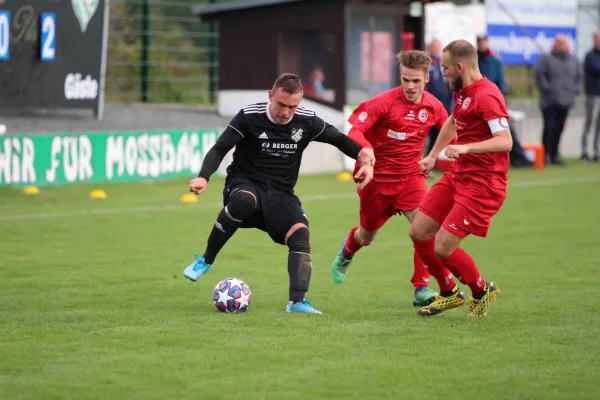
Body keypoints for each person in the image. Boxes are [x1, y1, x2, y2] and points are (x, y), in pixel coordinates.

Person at [183, 73, 375, 315]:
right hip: (244, 183)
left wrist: (363, 156)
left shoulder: (307, 121)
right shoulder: (250, 115)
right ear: (271, 96)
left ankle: (297, 302)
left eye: (292, 106)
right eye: (281, 104)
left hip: (280, 194)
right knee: (244, 199)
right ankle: (205, 260)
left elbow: (338, 139)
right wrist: (204, 176)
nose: (285, 112)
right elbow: (221, 146)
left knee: (300, 233)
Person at [330, 50, 451, 308]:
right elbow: (354, 132)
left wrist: (446, 153)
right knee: (367, 237)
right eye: (405, 79)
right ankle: (347, 251)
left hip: (411, 179)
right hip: (377, 182)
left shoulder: (433, 105)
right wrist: (368, 153)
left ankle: (421, 287)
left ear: (426, 79)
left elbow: (451, 132)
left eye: (415, 81)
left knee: (424, 230)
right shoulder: (383, 102)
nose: (409, 86)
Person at [408, 40, 513, 318]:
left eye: (443, 68)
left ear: (459, 66)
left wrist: (466, 147)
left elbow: (505, 141)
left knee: (442, 247)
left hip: (483, 184)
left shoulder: (488, 96)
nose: (441, 73)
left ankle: (481, 290)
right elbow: (453, 122)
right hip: (459, 175)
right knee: (418, 231)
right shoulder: (463, 92)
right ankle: (449, 292)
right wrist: (432, 156)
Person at [476, 34, 532, 168]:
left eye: (484, 42)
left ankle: (519, 157)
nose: (482, 45)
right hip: (477, 102)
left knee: (505, 130)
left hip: (493, 102)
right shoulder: (475, 61)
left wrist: (498, 101)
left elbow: (500, 83)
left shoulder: (495, 61)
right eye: (480, 43)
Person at [535, 34, 581, 166]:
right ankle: (545, 155)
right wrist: (548, 89)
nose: (561, 45)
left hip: (566, 100)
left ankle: (555, 155)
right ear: (554, 44)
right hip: (550, 101)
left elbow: (579, 76)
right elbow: (539, 75)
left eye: (563, 43)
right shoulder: (546, 59)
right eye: (558, 42)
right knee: (549, 127)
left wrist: (575, 90)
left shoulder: (573, 60)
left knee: (559, 128)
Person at [425, 39, 454, 158]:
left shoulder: (442, 66)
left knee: (437, 134)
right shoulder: (427, 65)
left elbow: (449, 87)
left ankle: (431, 158)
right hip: (429, 106)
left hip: (442, 107)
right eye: (434, 47)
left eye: (438, 47)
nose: (436, 50)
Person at [581, 31, 600, 162]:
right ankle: (585, 152)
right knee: (589, 123)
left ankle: (597, 151)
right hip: (592, 94)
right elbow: (596, 68)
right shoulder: (590, 56)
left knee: (599, 125)